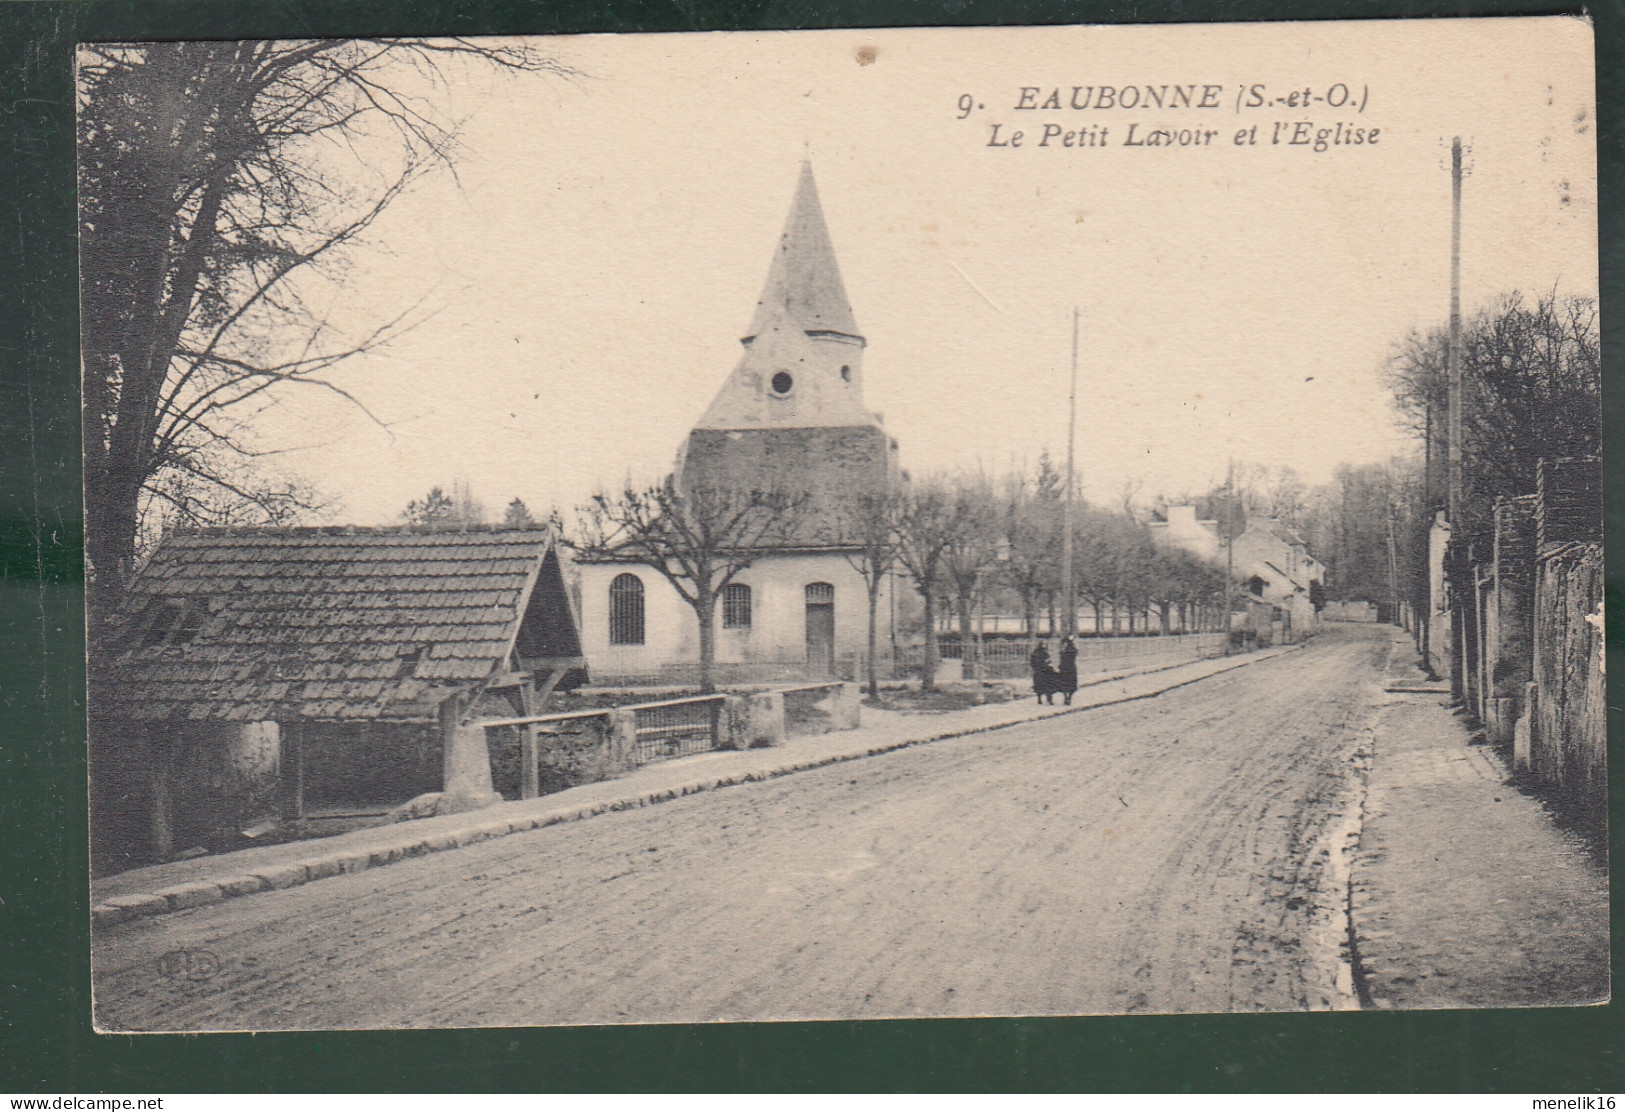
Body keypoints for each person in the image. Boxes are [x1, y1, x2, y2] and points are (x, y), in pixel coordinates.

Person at [1057, 637, 1079, 705]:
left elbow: (1063, 659)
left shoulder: (1064, 651)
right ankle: (1069, 697)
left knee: (1064, 684)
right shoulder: (1074, 650)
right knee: (1071, 684)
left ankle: (1066, 697)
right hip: (1071, 668)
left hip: (1065, 669)